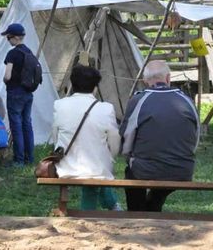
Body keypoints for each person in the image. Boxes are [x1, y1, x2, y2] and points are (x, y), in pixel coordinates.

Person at [120, 60, 200, 212]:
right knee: (159, 189)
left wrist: (129, 155)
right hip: (182, 169)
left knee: (132, 176)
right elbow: (195, 136)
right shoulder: (187, 101)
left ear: (145, 80)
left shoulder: (139, 100)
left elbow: (127, 135)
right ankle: (153, 205)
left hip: (145, 169)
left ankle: (137, 213)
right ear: (168, 78)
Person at [51, 64, 122, 211]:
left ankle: (112, 204)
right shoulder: (106, 108)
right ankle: (93, 212)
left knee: (95, 169)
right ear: (95, 87)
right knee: (97, 169)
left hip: (66, 165)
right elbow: (115, 142)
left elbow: (56, 136)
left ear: (72, 84)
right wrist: (110, 157)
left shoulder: (60, 105)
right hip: (96, 167)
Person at [2, 23, 35, 167]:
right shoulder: (29, 52)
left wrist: (5, 80)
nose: (8, 40)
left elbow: (7, 76)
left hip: (15, 93)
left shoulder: (13, 53)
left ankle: (19, 160)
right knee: (27, 124)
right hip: (28, 93)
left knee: (16, 126)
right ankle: (30, 158)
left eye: (8, 37)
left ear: (15, 37)